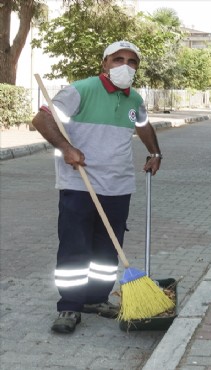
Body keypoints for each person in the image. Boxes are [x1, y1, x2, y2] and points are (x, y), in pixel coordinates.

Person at [31, 41, 163, 334]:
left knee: (107, 250)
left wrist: (155, 153)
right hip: (80, 183)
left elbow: (143, 125)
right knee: (75, 247)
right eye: (118, 59)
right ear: (105, 63)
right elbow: (42, 118)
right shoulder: (82, 90)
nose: (125, 66)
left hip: (118, 185)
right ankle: (70, 305)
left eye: (132, 62)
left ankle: (96, 299)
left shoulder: (135, 99)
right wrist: (67, 148)